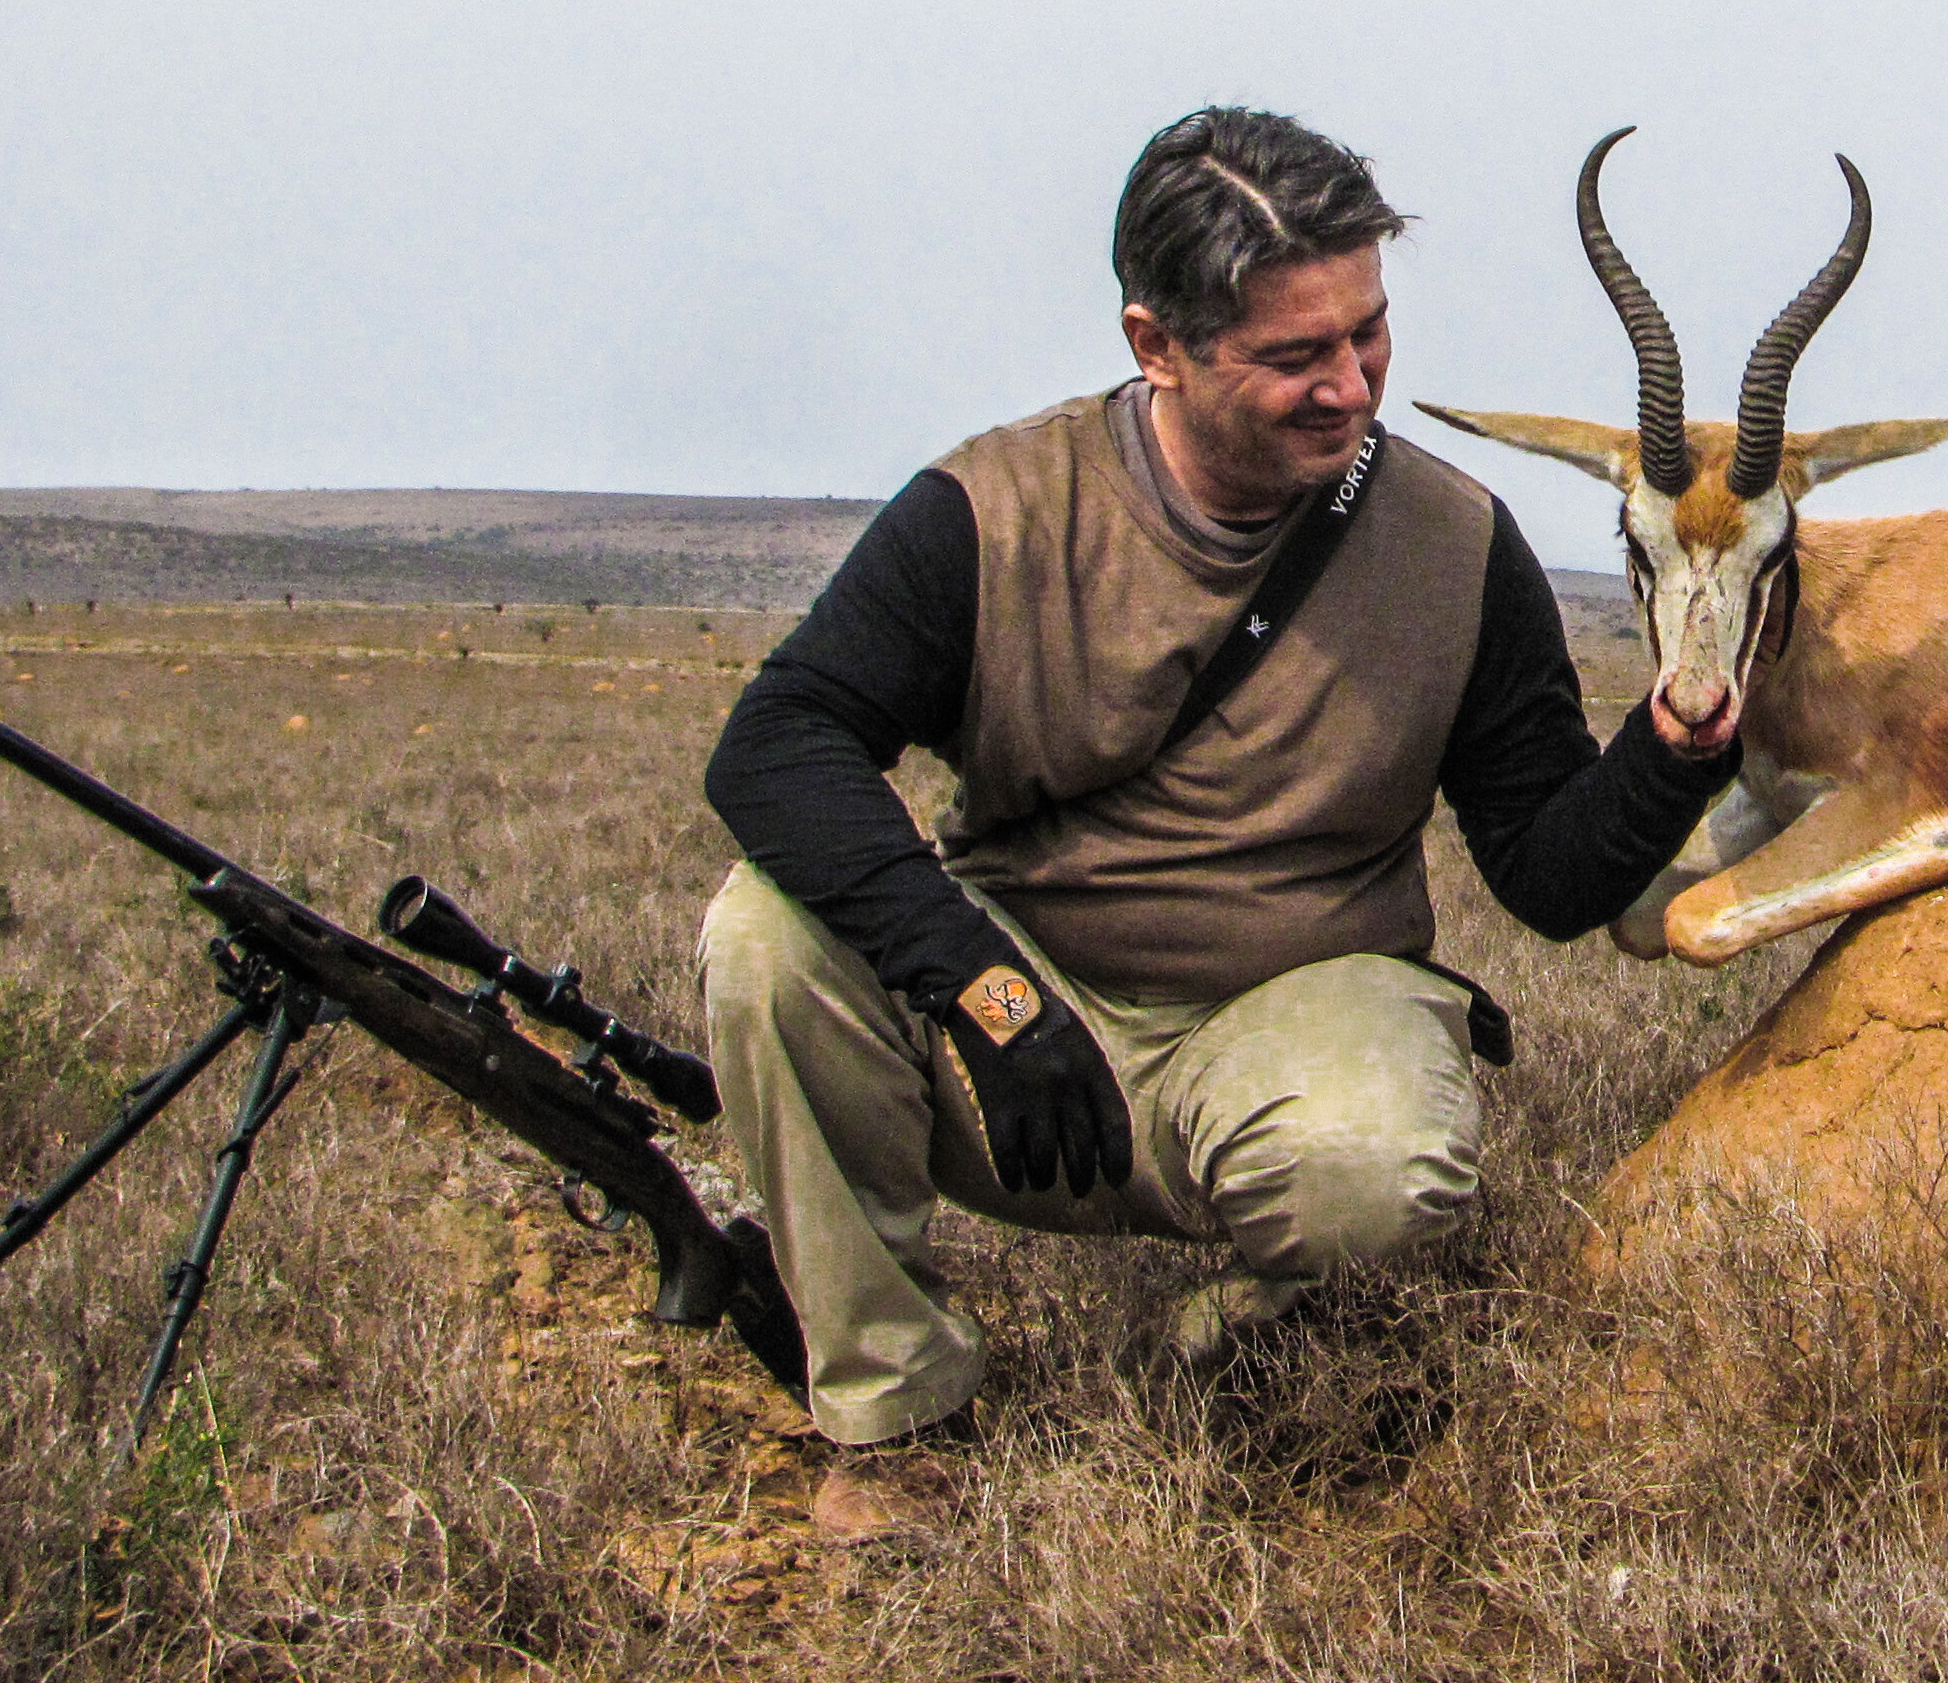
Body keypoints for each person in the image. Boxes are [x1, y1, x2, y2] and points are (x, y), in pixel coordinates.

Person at [698, 107, 1732, 1537]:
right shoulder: (991, 509)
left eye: (1367, 333)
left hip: (1295, 1011)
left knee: (1375, 1172)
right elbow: (776, 748)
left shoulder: (1455, 543)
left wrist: (1675, 752)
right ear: (1156, 344)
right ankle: (895, 1418)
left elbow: (1547, 871)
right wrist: (985, 989)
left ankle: (1261, 1318)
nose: (1352, 386)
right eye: (1294, 356)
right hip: (1021, 1029)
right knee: (764, 935)